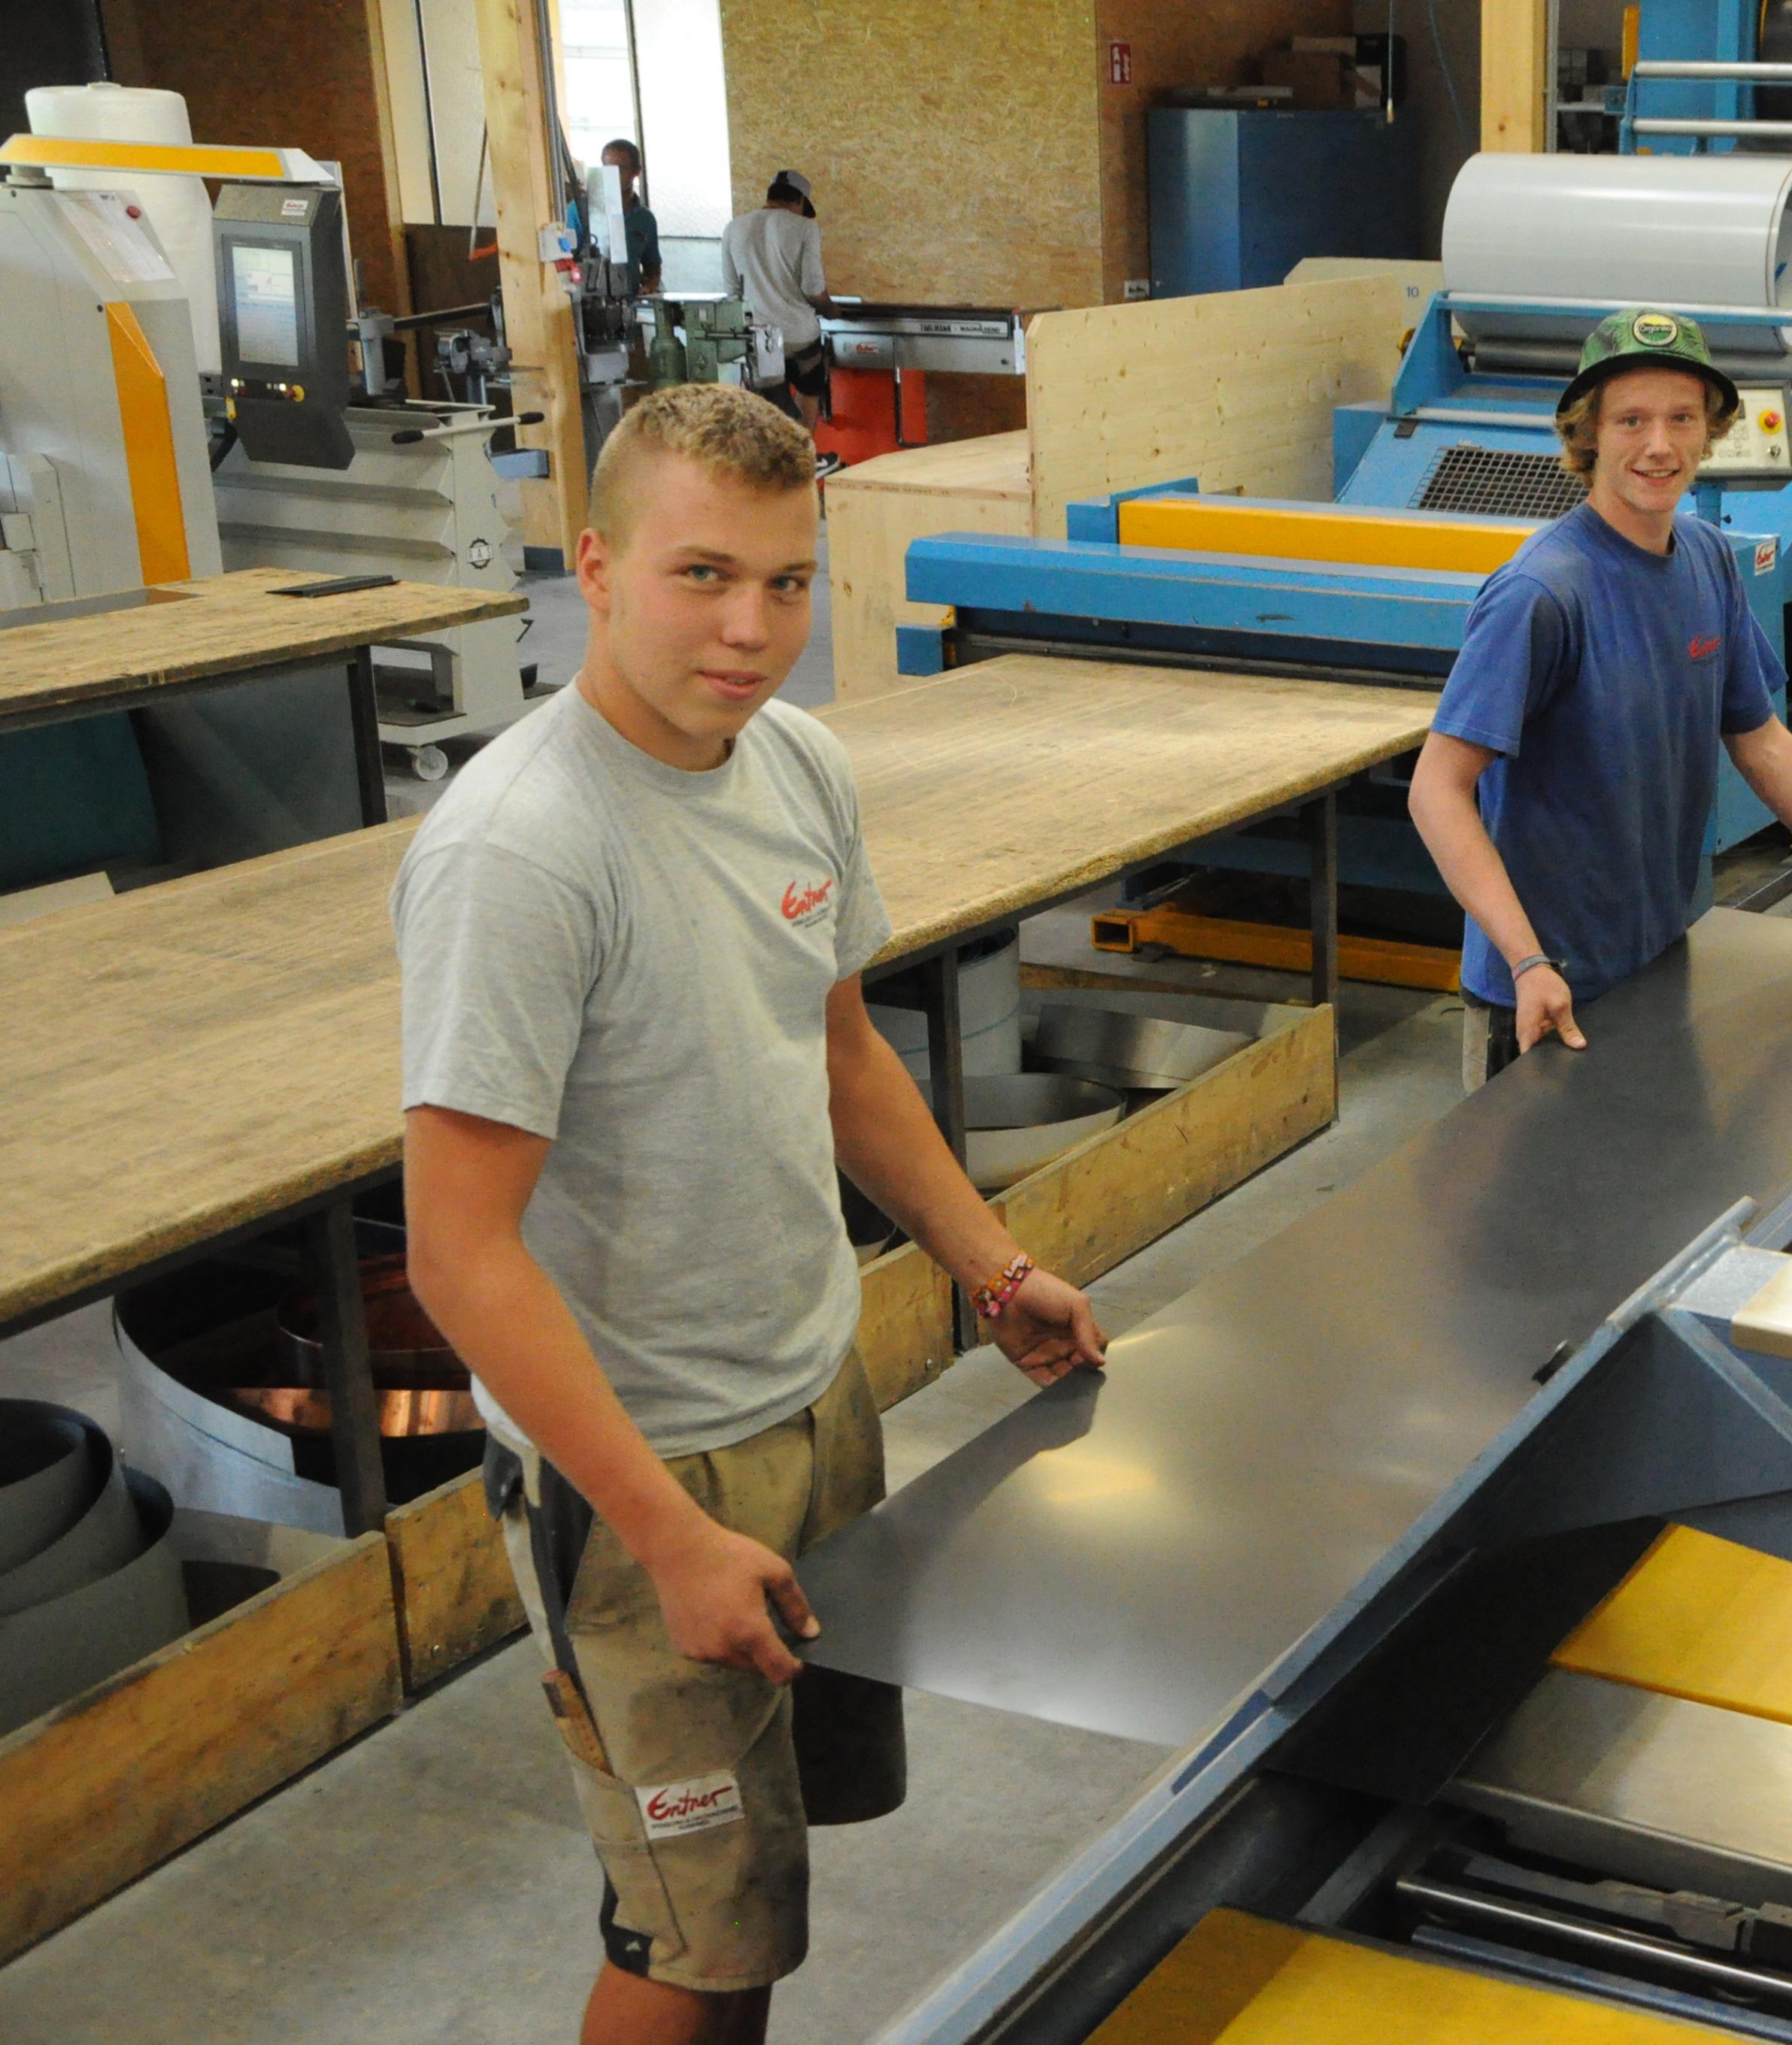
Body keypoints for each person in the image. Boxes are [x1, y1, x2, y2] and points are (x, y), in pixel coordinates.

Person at [393, 383, 1105, 2045]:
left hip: (810, 1393)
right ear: (594, 567)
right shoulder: (521, 851)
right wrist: (666, 1535)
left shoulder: (794, 763)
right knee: (689, 1934)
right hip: (643, 1469)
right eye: (701, 576)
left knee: (764, 1897)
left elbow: (840, 1053)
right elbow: (458, 1253)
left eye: (786, 583)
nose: (750, 629)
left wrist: (990, 1265)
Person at [1407, 307, 1792, 1091]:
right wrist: (1527, 960)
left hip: (1658, 962)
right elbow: (1437, 790)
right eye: (1631, 420)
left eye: (1682, 419)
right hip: (1543, 990)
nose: (1659, 445)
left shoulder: (1705, 558)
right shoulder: (1543, 592)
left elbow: (1761, 741)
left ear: (1711, 432)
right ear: (1588, 433)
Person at [720, 170, 830, 425]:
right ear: (800, 200)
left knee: (767, 408)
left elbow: (732, 292)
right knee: (809, 393)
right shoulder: (806, 227)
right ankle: (803, 447)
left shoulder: (734, 228)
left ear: (770, 196)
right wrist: (831, 309)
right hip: (800, 337)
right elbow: (813, 288)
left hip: (759, 339)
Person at [599, 138, 663, 295]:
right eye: (608, 169)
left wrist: (649, 287)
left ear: (636, 171)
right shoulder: (580, 212)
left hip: (628, 302)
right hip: (585, 303)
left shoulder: (645, 219)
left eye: (621, 170)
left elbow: (653, 269)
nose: (614, 176)